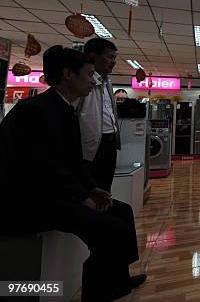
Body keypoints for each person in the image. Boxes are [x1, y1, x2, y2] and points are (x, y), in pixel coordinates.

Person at [0, 46, 146, 302]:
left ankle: (119, 280)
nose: (92, 81)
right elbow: (44, 168)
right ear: (68, 75)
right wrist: (81, 197)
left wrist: (92, 188)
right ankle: (98, 294)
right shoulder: (35, 111)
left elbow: (72, 162)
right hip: (30, 201)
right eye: (89, 74)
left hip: (54, 192)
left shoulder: (63, 108)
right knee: (109, 230)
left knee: (122, 212)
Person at [76, 38, 121, 192]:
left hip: (109, 144)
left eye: (114, 58)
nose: (113, 61)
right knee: (90, 190)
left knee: (105, 188)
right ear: (93, 56)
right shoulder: (82, 81)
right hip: (89, 148)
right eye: (109, 57)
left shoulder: (107, 81)